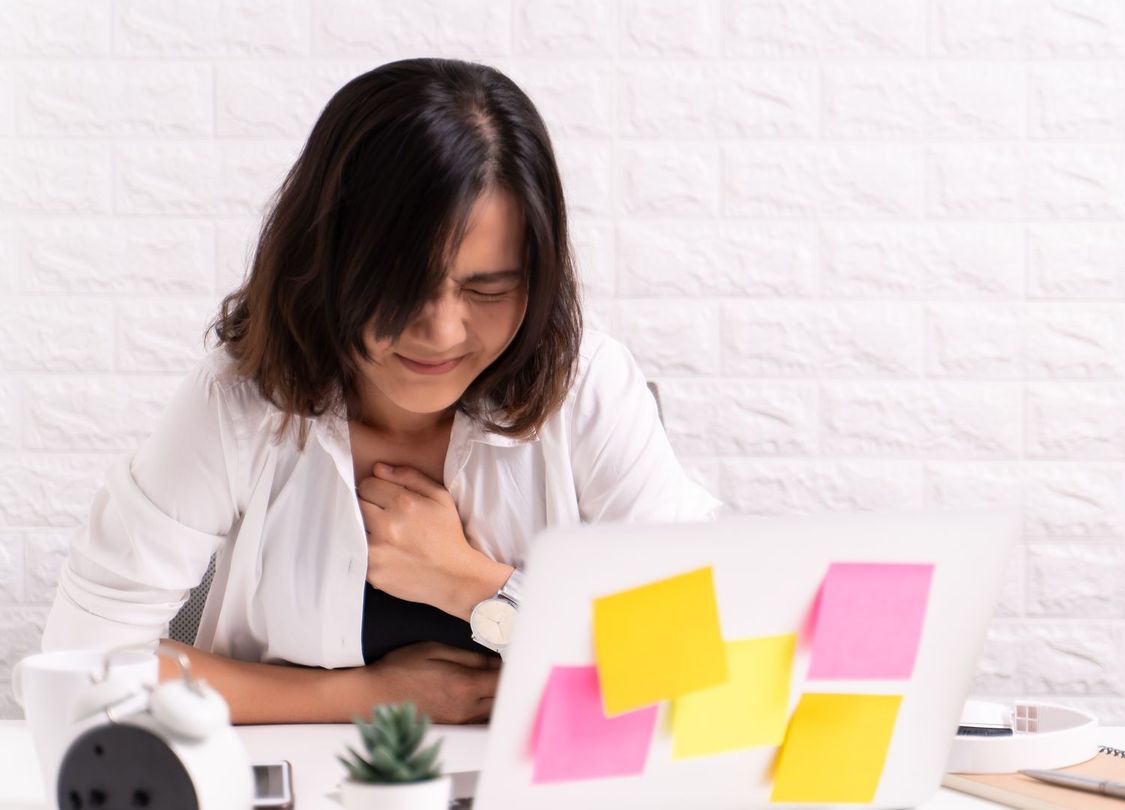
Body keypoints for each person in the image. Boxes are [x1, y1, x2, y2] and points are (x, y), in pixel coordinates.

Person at [39, 58, 722, 725]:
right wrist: (367, 698)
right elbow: (81, 664)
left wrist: (469, 585)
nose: (443, 331)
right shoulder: (239, 401)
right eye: (404, 286)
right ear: (329, 260)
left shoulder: (588, 386)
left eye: (488, 288)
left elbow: (695, 662)